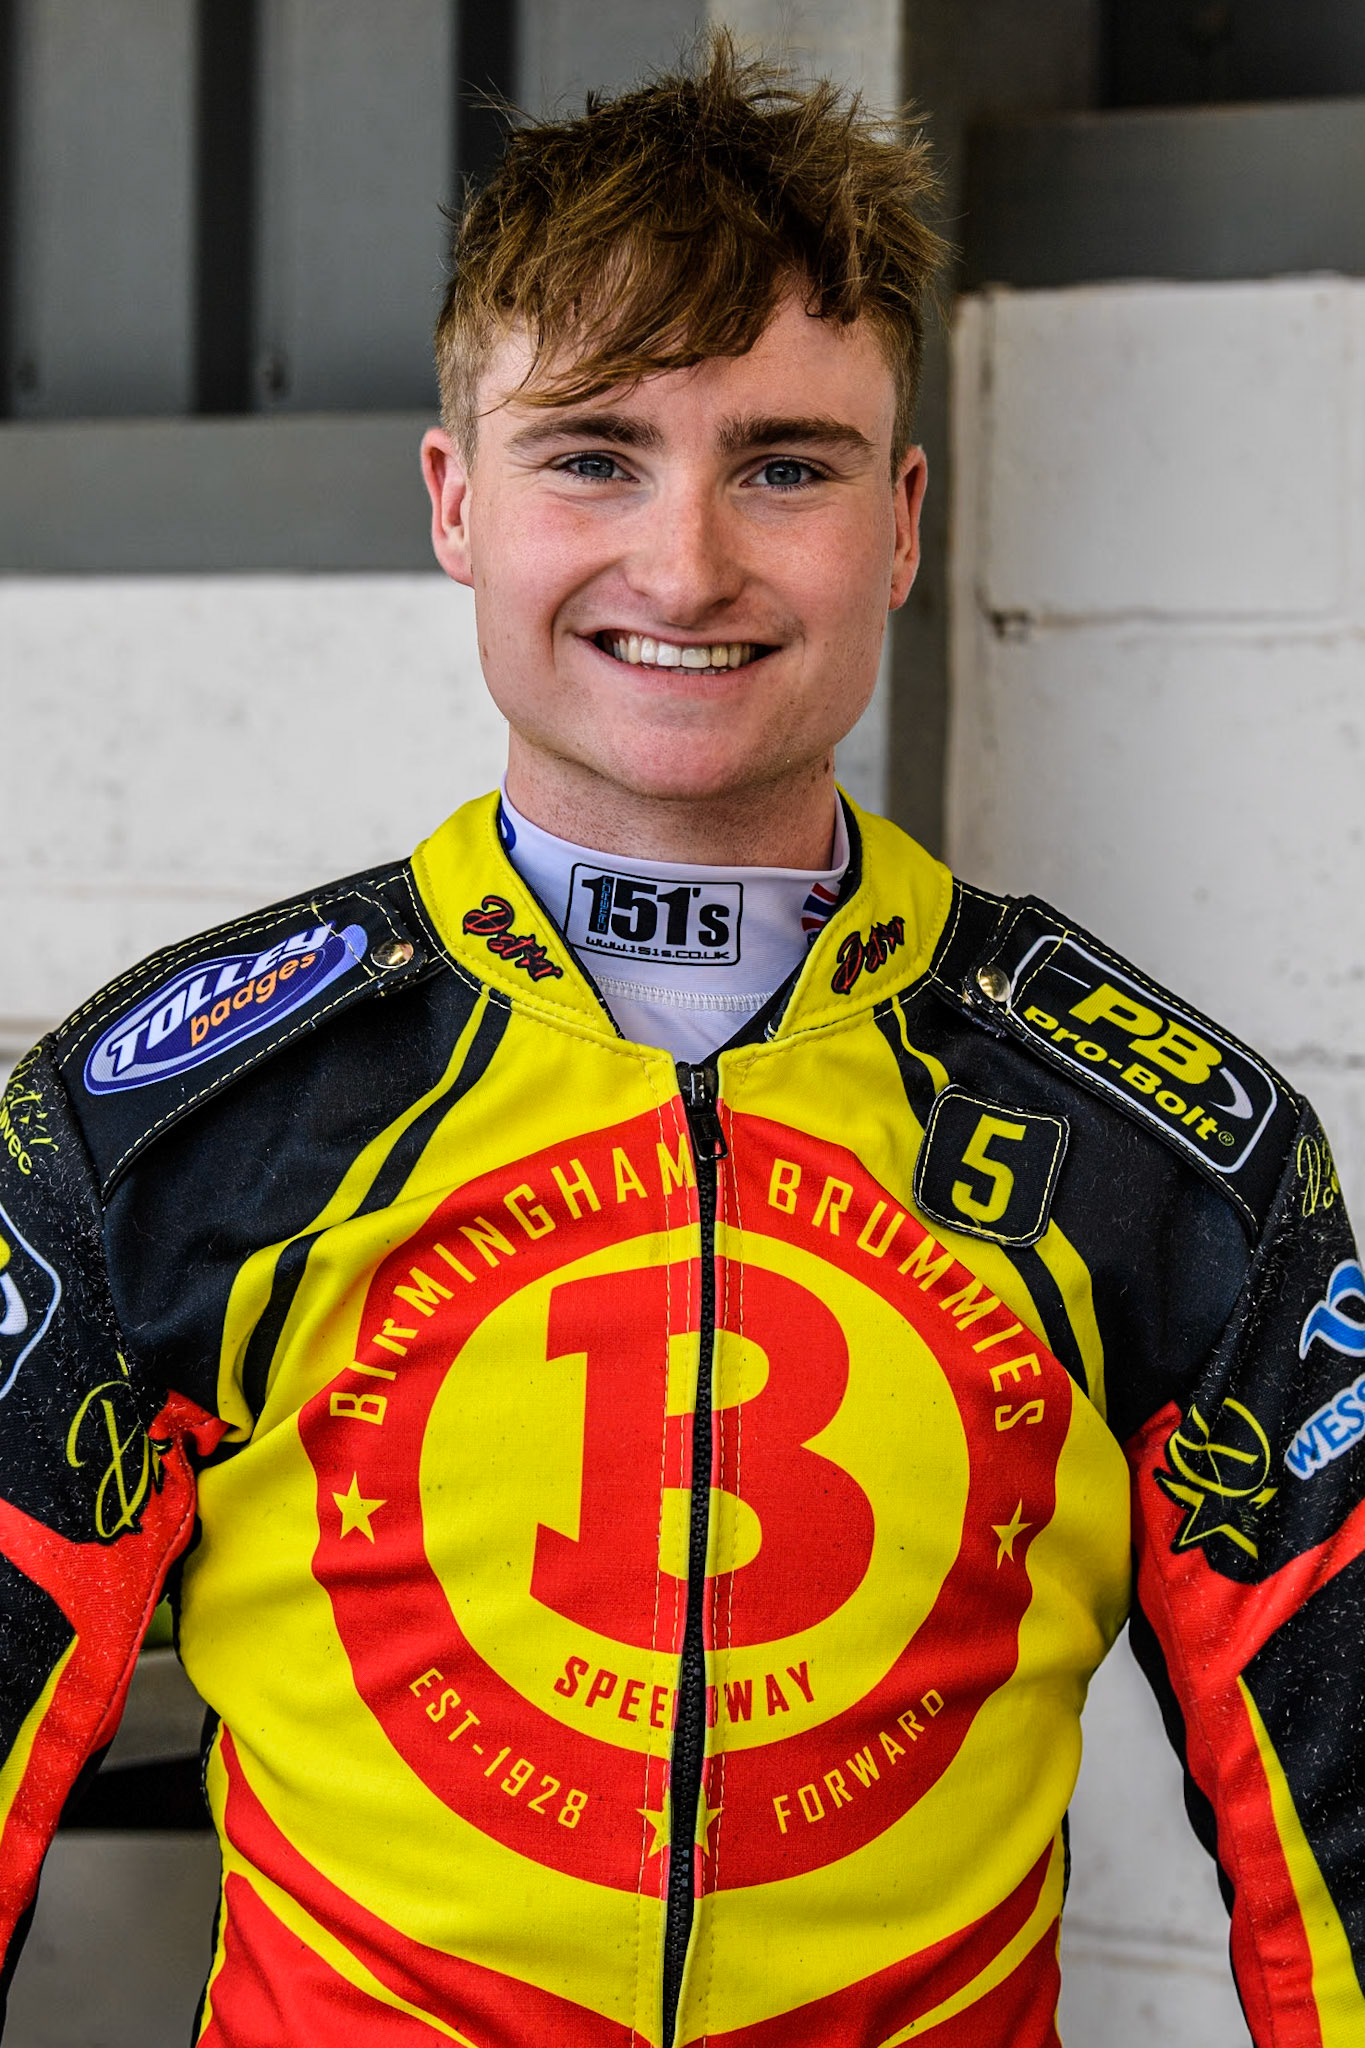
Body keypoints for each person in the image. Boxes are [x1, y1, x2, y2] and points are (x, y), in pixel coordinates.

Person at [0, 33, 1362, 2047]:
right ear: (455, 503)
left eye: (782, 464)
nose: (685, 562)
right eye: (593, 454)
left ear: (897, 526)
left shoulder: (1175, 1151)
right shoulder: (168, 1115)